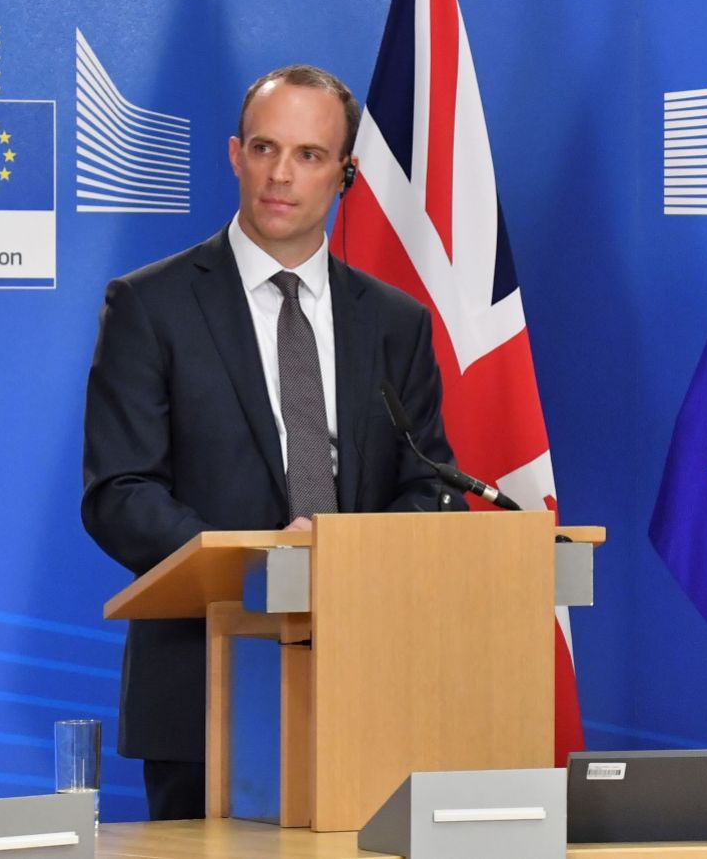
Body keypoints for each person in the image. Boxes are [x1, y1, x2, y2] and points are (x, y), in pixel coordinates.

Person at [81, 65, 453, 820]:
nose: (281, 175)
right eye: (263, 147)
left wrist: (346, 560)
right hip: (206, 682)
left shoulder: (395, 323)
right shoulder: (149, 306)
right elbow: (120, 492)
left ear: (345, 175)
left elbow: (429, 483)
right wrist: (257, 564)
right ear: (233, 154)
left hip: (373, 675)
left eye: (310, 155)